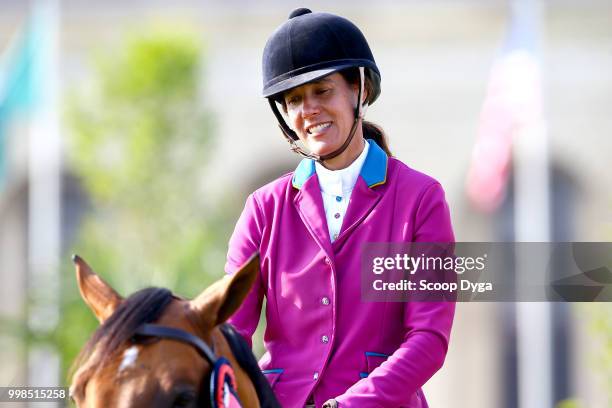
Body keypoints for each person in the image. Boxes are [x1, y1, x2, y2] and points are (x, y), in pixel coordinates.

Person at [225, 8, 455, 408]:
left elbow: (429, 338)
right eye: (294, 99)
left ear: (359, 91)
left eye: (323, 91)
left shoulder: (422, 198)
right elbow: (230, 332)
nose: (308, 110)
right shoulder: (263, 208)